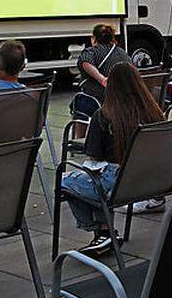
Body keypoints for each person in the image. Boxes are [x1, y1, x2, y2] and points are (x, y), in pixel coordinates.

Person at [60, 63, 165, 253]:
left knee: (66, 181)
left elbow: (93, 156)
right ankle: (105, 233)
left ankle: (102, 231)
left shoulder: (103, 116)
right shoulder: (155, 113)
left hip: (116, 183)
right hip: (149, 180)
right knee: (94, 180)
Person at [73, 25, 131, 118]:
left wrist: (102, 79)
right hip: (122, 100)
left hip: (100, 100)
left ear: (94, 38)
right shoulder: (122, 53)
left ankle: (79, 132)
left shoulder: (92, 51)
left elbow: (85, 62)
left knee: (79, 102)